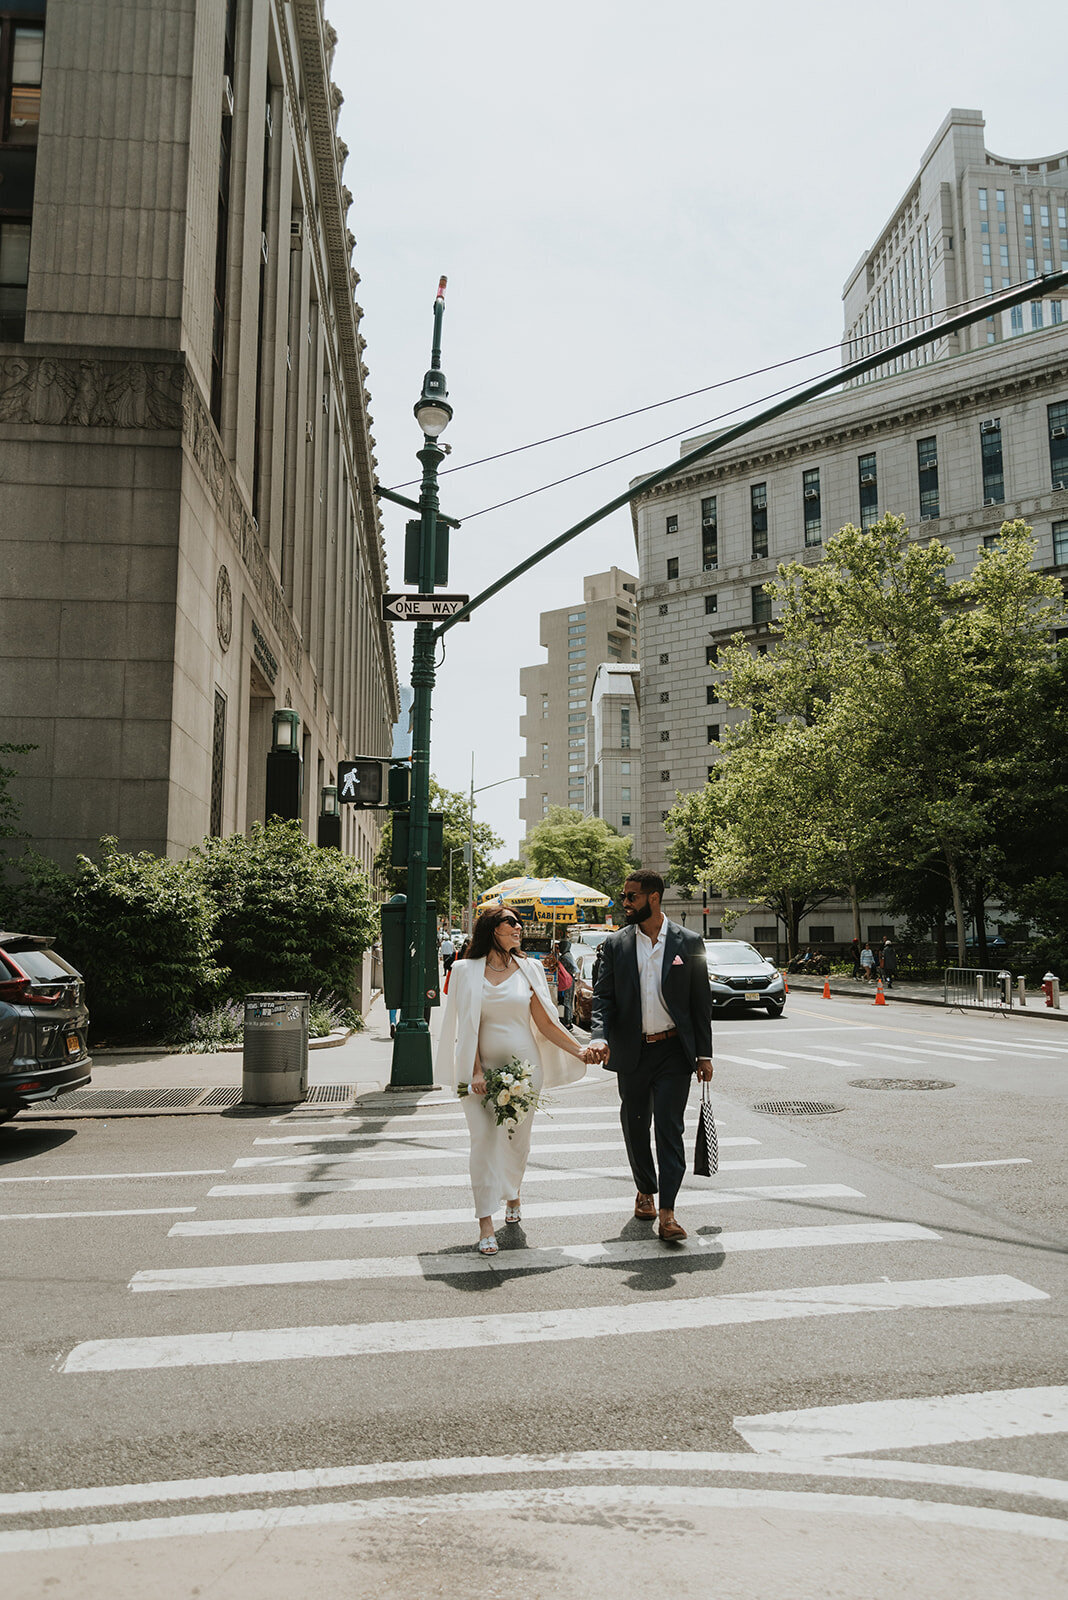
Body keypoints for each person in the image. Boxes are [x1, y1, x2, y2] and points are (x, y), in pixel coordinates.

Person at [436, 905, 598, 1255]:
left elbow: (546, 1022)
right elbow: (466, 1027)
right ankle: (484, 1222)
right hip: (476, 1073)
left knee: (516, 1141)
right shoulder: (465, 970)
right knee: (483, 1140)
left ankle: (513, 1193)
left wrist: (580, 1050)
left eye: (519, 923)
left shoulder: (530, 968)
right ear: (493, 928)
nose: (519, 928)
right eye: (512, 922)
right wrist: (476, 1070)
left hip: (526, 1072)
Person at [588, 870, 714, 1243]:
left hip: (675, 1052)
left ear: (653, 898)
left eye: (631, 897)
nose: (624, 903)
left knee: (669, 1130)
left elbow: (700, 1003)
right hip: (632, 1052)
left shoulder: (689, 942)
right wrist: (599, 1036)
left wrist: (704, 1055)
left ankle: (668, 1212)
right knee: (635, 1124)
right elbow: (603, 998)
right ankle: (645, 1188)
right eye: (624, 897)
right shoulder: (616, 944)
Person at [555, 938, 578, 1031]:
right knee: (568, 1001)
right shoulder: (569, 955)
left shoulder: (564, 957)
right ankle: (568, 1020)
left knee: (566, 1001)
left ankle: (567, 1022)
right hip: (569, 980)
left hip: (566, 981)